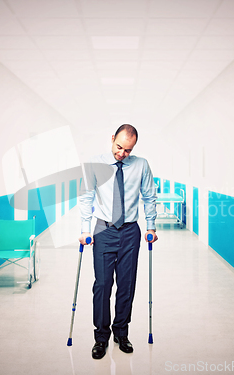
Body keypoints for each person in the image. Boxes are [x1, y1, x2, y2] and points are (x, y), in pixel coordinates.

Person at [78, 124, 158, 360]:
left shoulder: (141, 165)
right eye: (119, 147)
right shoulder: (95, 164)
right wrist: (85, 230)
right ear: (112, 139)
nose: (122, 153)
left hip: (130, 231)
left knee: (127, 284)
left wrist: (151, 226)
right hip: (103, 230)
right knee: (102, 286)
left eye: (128, 150)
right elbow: (86, 196)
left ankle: (121, 333)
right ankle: (100, 338)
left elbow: (149, 195)